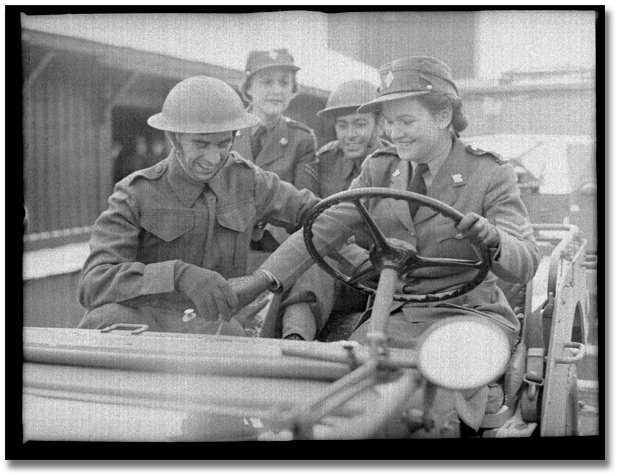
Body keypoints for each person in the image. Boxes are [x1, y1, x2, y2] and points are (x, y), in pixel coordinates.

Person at [230, 56, 541, 434]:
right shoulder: (381, 168)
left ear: (443, 115)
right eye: (390, 122)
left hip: (468, 318)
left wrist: (495, 240)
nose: (396, 133)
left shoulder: (489, 173)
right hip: (393, 315)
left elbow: (525, 260)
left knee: (434, 407)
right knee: (346, 389)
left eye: (406, 121)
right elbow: (325, 226)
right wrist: (261, 279)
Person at [77, 76, 319, 336]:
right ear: (174, 138)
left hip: (218, 328)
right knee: (102, 321)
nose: (213, 158)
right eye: (201, 144)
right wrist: (178, 275)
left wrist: (267, 277)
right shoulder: (135, 194)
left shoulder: (247, 180)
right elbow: (94, 283)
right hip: (152, 329)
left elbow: (320, 215)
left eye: (224, 144)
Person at [278, 79, 390, 341]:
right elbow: (314, 226)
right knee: (316, 259)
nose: (349, 134)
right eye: (342, 125)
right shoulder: (323, 162)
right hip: (338, 274)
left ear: (380, 124)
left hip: (385, 275)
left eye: (360, 124)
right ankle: (295, 342)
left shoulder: (398, 163)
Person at [232, 48, 319, 250]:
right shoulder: (226, 132)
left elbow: (304, 206)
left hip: (277, 249)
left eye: (284, 82)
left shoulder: (301, 139)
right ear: (249, 88)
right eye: (267, 81)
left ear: (293, 90)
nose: (277, 90)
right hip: (227, 243)